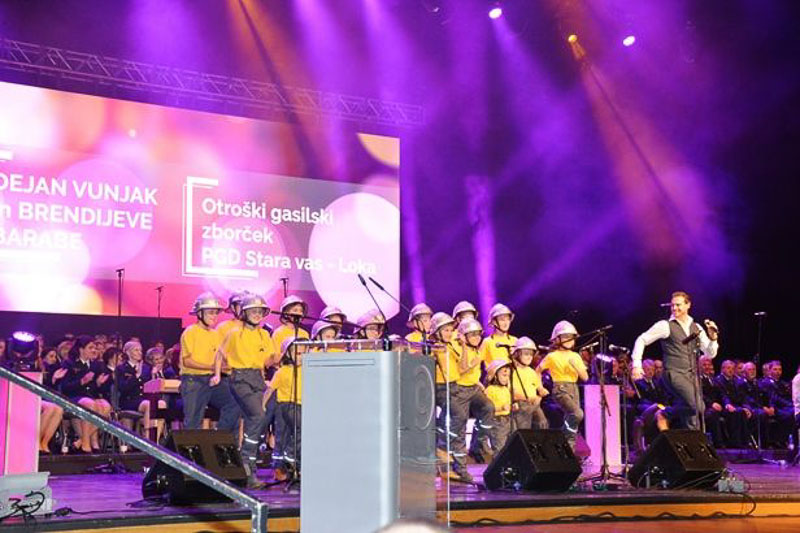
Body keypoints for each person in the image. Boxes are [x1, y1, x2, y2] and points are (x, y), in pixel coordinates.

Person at [631, 291, 719, 430]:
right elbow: (642, 339)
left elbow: (710, 354)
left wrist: (713, 338)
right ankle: (665, 413)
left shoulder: (697, 328)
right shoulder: (665, 325)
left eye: (678, 305)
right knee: (698, 406)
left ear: (688, 305)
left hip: (691, 375)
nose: (674, 308)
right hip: (674, 373)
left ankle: (691, 441)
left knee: (693, 418)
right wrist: (637, 365)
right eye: (672, 305)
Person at [216, 293, 276, 488]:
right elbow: (220, 353)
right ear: (244, 313)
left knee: (261, 417)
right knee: (257, 415)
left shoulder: (264, 335)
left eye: (260, 311)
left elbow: (269, 360)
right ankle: (245, 464)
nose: (257, 314)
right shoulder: (234, 333)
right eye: (253, 311)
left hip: (257, 377)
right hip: (240, 378)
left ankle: (248, 468)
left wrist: (284, 354)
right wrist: (217, 374)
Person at [179, 292, 241, 433]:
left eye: (216, 313)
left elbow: (221, 357)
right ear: (199, 313)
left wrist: (226, 366)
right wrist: (213, 368)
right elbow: (187, 362)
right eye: (210, 313)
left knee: (235, 402)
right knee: (193, 421)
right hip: (193, 380)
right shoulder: (191, 332)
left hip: (212, 380)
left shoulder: (215, 334)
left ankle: (219, 435)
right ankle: (191, 447)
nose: (214, 316)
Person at [537, 321, 589, 449]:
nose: (569, 340)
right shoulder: (552, 356)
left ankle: (568, 449)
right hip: (560, 388)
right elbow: (537, 371)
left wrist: (577, 366)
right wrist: (540, 387)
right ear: (557, 339)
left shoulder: (576, 356)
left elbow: (585, 377)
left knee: (572, 419)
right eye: (566, 336)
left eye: (572, 337)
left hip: (574, 388)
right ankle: (561, 437)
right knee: (577, 414)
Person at [61, 336, 111, 453]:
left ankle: (81, 441)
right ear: (81, 349)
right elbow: (65, 387)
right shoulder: (69, 363)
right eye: (90, 348)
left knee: (106, 406)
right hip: (74, 397)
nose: (94, 350)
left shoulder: (97, 365)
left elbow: (102, 390)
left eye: (95, 348)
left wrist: (99, 384)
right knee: (90, 404)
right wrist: (81, 382)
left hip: (91, 397)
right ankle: (86, 444)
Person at [484, 359, 513, 451]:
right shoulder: (490, 390)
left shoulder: (506, 389)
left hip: (507, 419)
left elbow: (508, 404)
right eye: (504, 375)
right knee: (499, 445)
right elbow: (486, 408)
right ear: (495, 375)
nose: (506, 378)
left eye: (508, 376)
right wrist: (501, 408)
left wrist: (512, 407)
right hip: (496, 420)